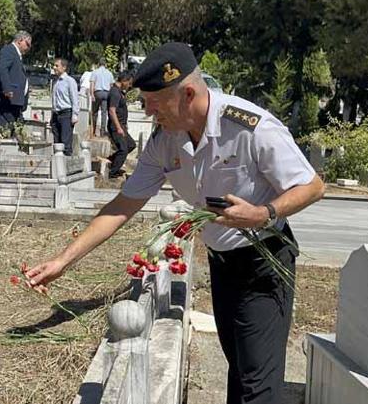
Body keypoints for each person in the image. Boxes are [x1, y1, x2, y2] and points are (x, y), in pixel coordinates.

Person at [26, 42, 325, 404]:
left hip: (265, 261)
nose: (149, 113)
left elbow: (312, 185)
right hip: (223, 262)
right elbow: (124, 204)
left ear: (187, 94)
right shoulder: (165, 141)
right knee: (241, 367)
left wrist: (265, 213)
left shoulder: (250, 127)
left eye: (155, 103)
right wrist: (63, 261)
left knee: (258, 386)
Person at [0, 31, 32, 137]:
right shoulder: (8, 51)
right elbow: (3, 69)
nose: (29, 48)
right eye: (27, 44)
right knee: (8, 126)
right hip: (6, 98)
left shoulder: (15, 54)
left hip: (13, 100)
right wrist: (7, 89)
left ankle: (13, 146)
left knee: (15, 126)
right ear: (20, 40)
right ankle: (6, 148)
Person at [106, 70, 136, 178]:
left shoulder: (118, 92)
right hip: (116, 127)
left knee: (131, 145)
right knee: (123, 150)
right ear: (124, 81)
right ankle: (112, 173)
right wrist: (118, 128)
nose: (129, 86)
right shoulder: (114, 92)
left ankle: (112, 160)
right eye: (129, 83)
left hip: (121, 126)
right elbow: (112, 111)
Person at [50, 57, 79, 156]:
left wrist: (75, 114)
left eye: (57, 66)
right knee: (57, 142)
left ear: (64, 67)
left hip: (66, 113)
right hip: (56, 113)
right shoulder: (56, 82)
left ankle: (66, 164)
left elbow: (74, 98)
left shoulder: (69, 81)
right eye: (54, 65)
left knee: (65, 141)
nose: (54, 68)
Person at [89, 58, 114, 137]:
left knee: (95, 112)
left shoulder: (95, 72)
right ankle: (103, 132)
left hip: (98, 93)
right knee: (104, 113)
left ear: (98, 64)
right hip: (106, 93)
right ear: (105, 64)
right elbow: (111, 86)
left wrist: (92, 94)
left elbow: (92, 84)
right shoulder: (109, 73)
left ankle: (93, 131)